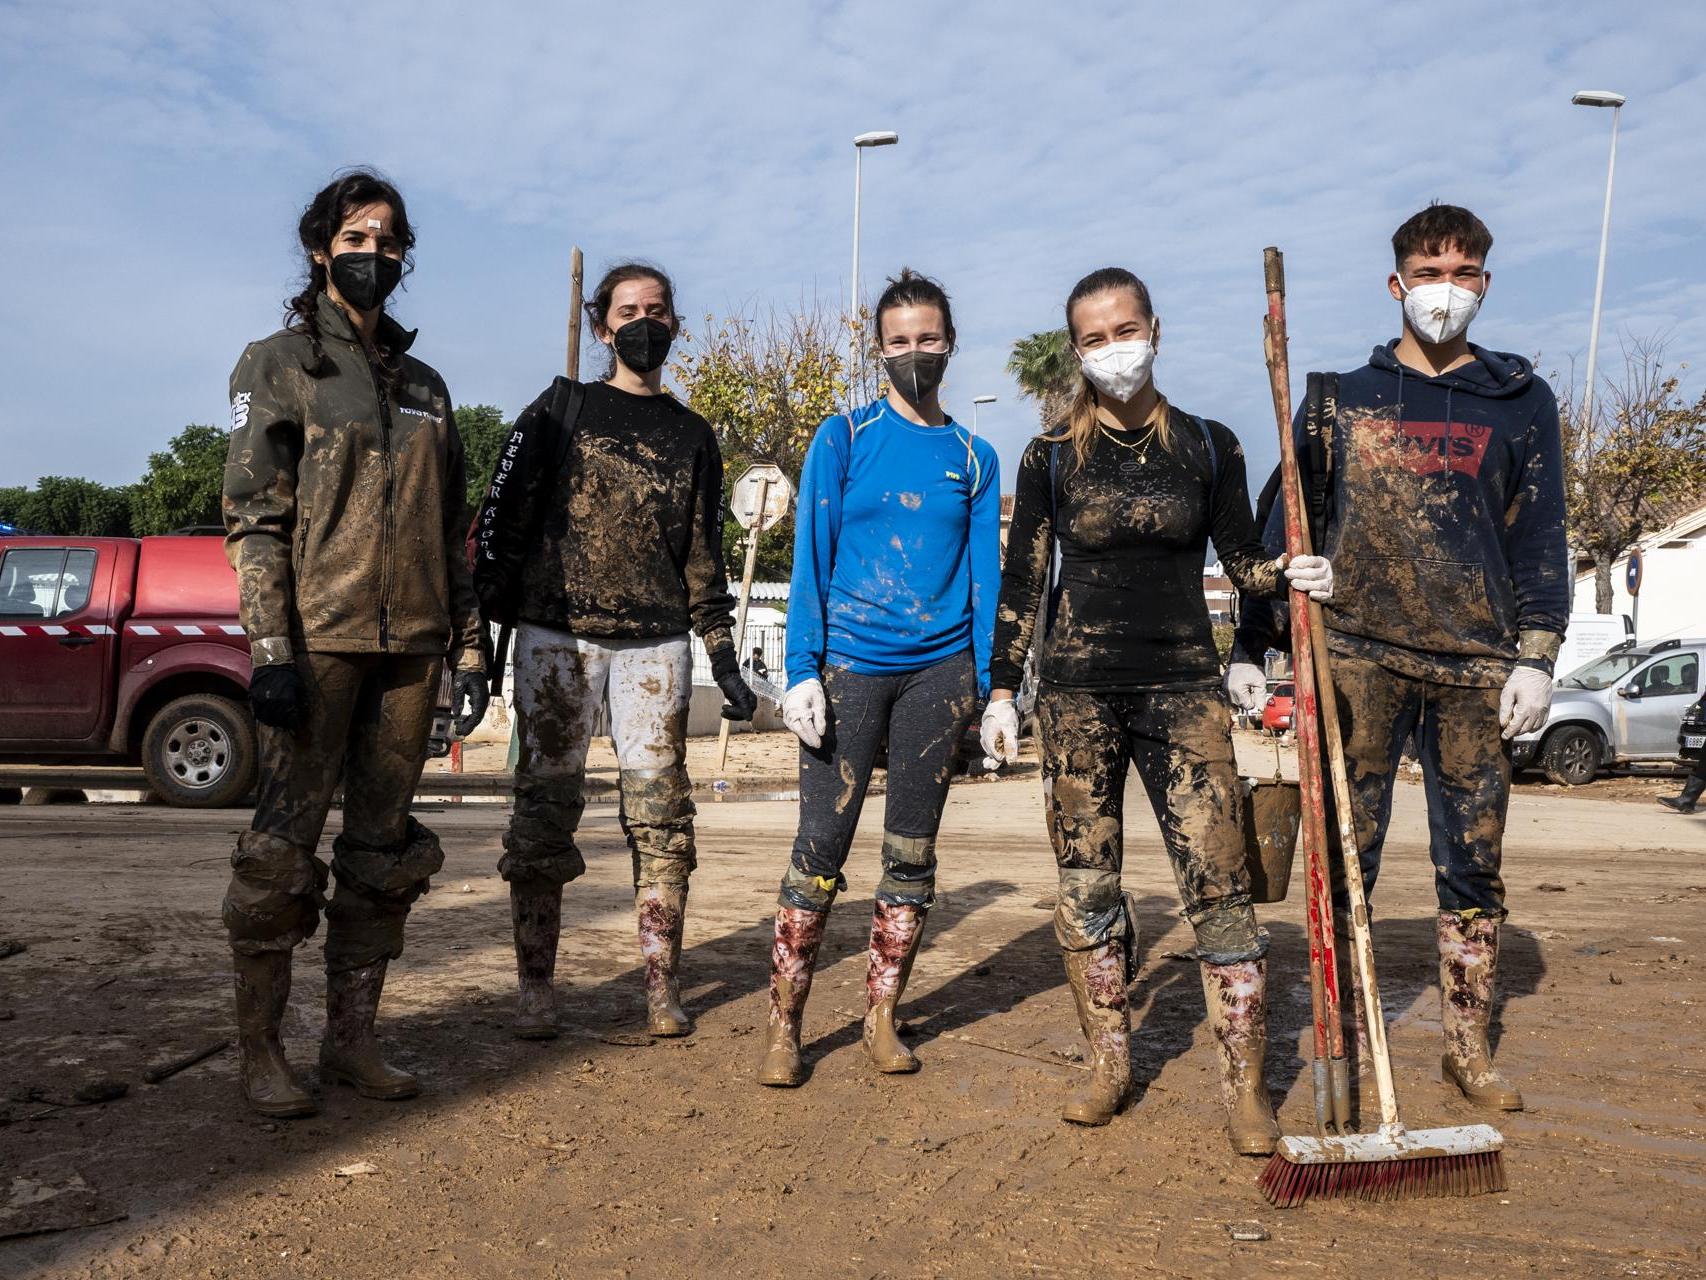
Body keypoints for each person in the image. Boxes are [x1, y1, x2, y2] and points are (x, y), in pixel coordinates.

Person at [1230, 203, 1569, 1113]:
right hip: (1359, 657)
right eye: (1429, 272)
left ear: (1486, 285)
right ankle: (1339, 1034)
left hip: (1475, 663)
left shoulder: (1524, 404)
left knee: (1474, 863)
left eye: (1462, 273)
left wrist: (1538, 655)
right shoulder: (1341, 399)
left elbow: (1541, 537)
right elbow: (1283, 526)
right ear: (1397, 285)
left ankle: (1466, 1046)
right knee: (1348, 859)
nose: (1444, 290)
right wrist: (1253, 641)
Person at [984, 267, 1332, 1148]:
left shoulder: (1208, 446)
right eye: (1094, 338)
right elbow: (1023, 579)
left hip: (1184, 690)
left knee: (1220, 890)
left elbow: (1242, 555)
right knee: (1088, 886)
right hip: (1076, 695)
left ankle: (1245, 1088)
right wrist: (1001, 686)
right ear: (1076, 350)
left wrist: (1289, 573)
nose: (1114, 350)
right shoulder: (1051, 456)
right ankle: (1109, 1064)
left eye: (1125, 329)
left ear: (1155, 329)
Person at [220, 170, 488, 1118]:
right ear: (319, 246)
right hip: (319, 644)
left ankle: (351, 1044)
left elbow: (454, 531)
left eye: (388, 240)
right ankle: (259, 1053)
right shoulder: (283, 363)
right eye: (355, 237)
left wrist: (467, 649)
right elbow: (255, 519)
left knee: (381, 853)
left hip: (411, 650)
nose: (372, 254)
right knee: (280, 852)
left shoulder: (426, 388)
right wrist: (272, 651)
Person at [474, 263, 754, 1042]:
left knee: (662, 817)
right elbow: (499, 517)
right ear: (602, 327)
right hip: (555, 635)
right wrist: (475, 643)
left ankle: (661, 988)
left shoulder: (693, 434)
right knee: (543, 812)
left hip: (656, 643)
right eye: (628, 311)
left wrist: (723, 653)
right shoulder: (560, 409)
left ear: (675, 324)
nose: (643, 322)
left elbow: (704, 555)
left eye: (656, 310)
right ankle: (536, 989)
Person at [758, 269, 1001, 1087]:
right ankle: (784, 1026)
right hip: (850, 672)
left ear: (951, 343)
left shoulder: (972, 455)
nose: (915, 353)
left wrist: (989, 685)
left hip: (940, 675)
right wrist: (800, 670)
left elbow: (984, 579)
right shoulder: (844, 438)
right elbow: (810, 561)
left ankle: (880, 1016)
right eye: (899, 341)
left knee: (911, 855)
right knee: (818, 851)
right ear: (878, 350)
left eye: (929, 338)